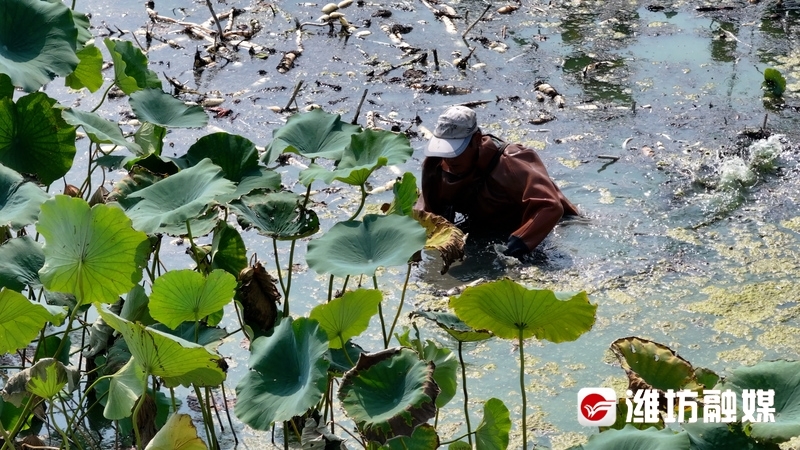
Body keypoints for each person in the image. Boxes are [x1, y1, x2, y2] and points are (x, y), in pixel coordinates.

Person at [415, 105, 580, 258]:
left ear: (477, 139)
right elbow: (425, 213)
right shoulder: (435, 166)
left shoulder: (511, 162)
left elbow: (550, 206)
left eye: (456, 151)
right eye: (445, 150)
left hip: (543, 229)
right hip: (484, 229)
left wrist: (516, 247)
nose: (449, 159)